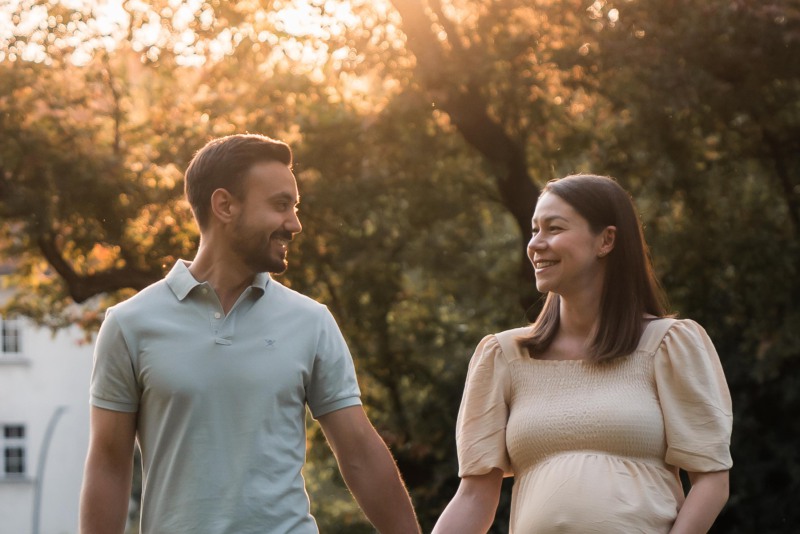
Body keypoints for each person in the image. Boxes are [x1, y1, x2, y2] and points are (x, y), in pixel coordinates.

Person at [79, 133, 420, 534]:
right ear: (225, 205)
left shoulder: (311, 321)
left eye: (294, 207)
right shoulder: (129, 324)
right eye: (280, 206)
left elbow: (360, 452)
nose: (294, 224)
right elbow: (108, 465)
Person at [433, 174, 732, 533]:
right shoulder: (503, 357)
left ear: (606, 240)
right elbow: (473, 497)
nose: (536, 244)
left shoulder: (668, 344)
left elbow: (712, 480)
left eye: (553, 228)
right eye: (534, 230)